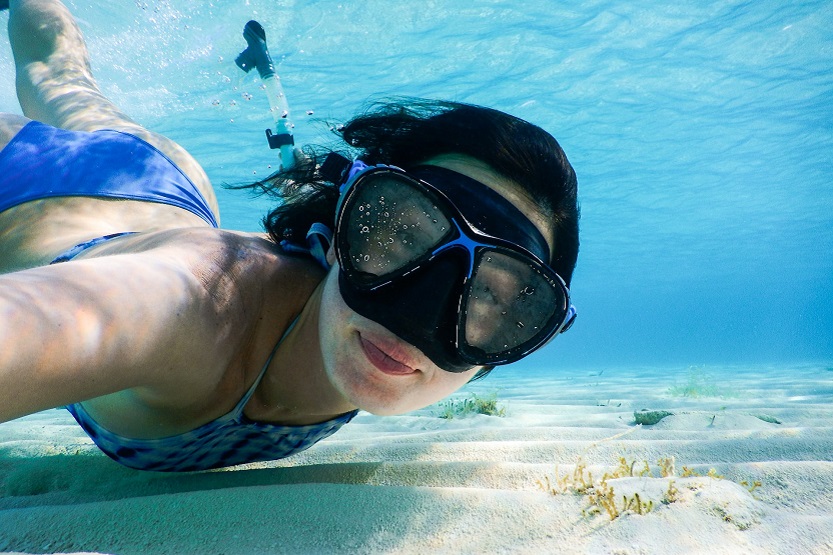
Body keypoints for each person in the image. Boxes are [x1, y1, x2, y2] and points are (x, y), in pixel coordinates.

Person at [0, 0, 579, 472]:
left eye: (491, 298)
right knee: (54, 76)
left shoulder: (350, 333)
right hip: (29, 190)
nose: (417, 319)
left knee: (62, 78)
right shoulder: (202, 304)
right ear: (337, 235)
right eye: (403, 234)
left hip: (170, 186)